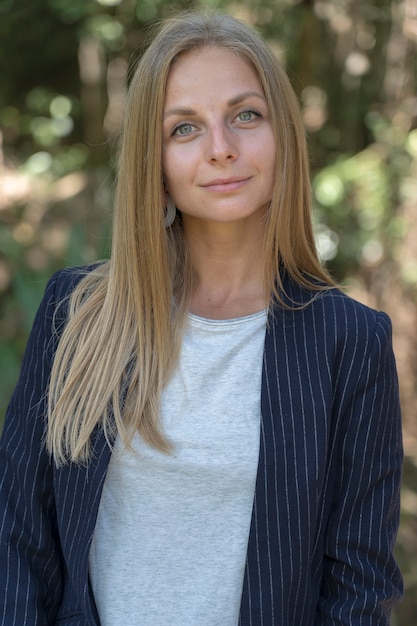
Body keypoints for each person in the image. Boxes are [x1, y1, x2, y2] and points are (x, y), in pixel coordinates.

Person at [0, 10, 403, 626]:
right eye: (184, 128)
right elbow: (17, 543)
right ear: (153, 160)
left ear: (283, 134)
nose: (222, 149)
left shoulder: (351, 342)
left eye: (246, 115)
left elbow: (358, 592)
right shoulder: (76, 313)